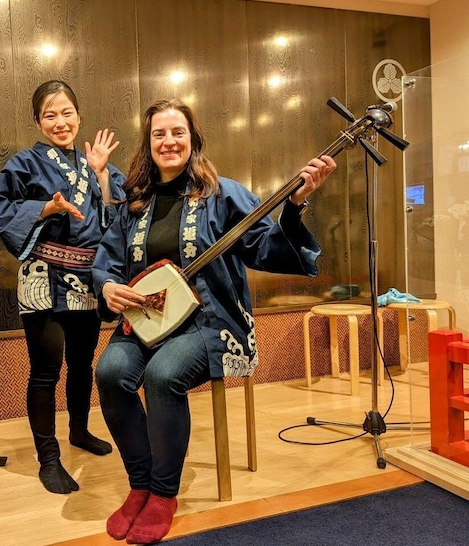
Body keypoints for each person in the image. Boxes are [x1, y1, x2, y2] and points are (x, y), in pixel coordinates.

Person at [92, 98, 336, 544]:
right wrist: (107, 287)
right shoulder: (135, 203)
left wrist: (295, 205)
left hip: (212, 324)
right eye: (159, 134)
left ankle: (164, 495)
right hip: (147, 322)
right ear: (148, 144)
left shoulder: (222, 193)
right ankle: (140, 485)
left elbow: (264, 246)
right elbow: (106, 261)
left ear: (193, 139)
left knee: (164, 375)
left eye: (177, 132)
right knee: (109, 372)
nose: (169, 141)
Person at [0, 80, 126, 494]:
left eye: (67, 112)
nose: (60, 122)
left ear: (79, 116)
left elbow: (117, 217)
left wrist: (101, 175)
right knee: (46, 371)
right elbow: (3, 209)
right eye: (50, 114)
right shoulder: (23, 164)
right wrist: (44, 208)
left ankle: (80, 431)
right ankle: (48, 459)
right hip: (43, 276)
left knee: (83, 364)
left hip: (86, 278)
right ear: (37, 121)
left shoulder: (96, 163)